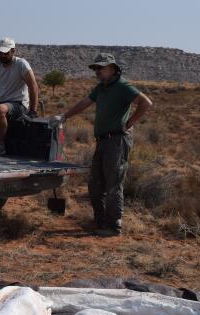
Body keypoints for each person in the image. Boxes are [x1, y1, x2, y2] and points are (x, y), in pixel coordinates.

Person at [57, 53, 153, 237]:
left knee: (113, 183)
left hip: (116, 140)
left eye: (101, 68)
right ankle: (100, 222)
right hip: (103, 140)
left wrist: (130, 122)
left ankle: (113, 226)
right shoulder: (101, 88)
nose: (97, 71)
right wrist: (65, 116)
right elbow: (85, 102)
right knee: (95, 183)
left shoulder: (122, 86)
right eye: (95, 68)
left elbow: (146, 103)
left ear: (112, 68)